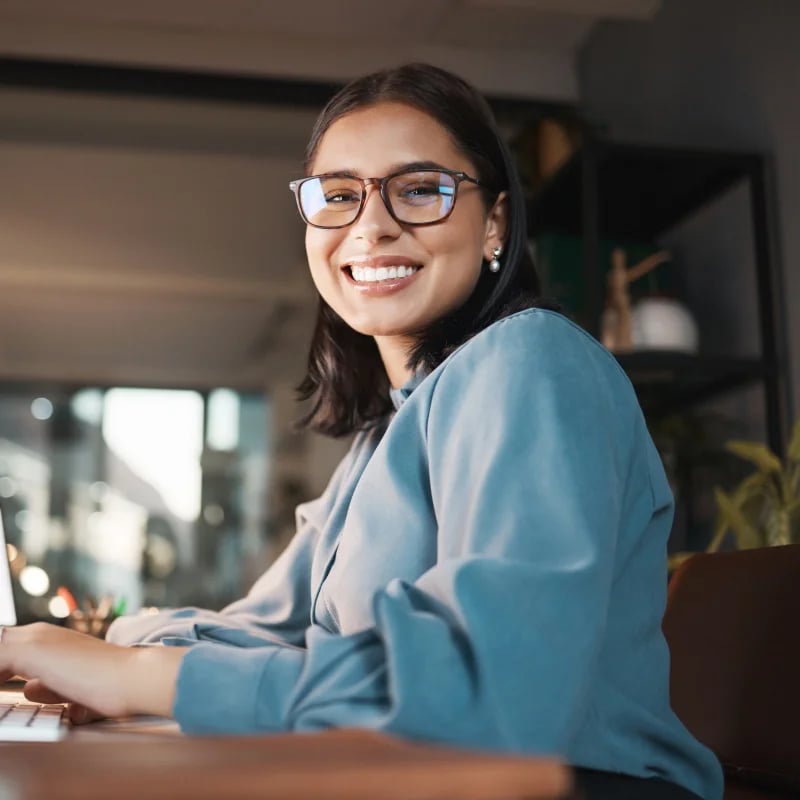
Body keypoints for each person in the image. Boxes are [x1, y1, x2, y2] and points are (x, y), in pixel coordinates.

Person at [0, 63, 722, 799]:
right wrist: (96, 648)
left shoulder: (532, 359)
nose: (371, 226)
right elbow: (266, 631)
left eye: (418, 190)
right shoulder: (383, 434)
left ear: (495, 222)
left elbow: (496, 697)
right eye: (339, 196)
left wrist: (136, 675)